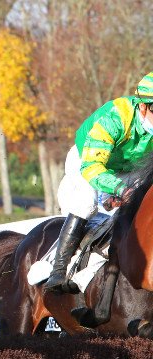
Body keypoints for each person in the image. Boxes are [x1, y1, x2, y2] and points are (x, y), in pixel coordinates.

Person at [44, 72, 153, 293]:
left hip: (127, 168)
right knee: (87, 204)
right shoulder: (116, 117)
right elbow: (91, 167)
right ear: (142, 107)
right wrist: (119, 189)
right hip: (86, 159)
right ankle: (58, 269)